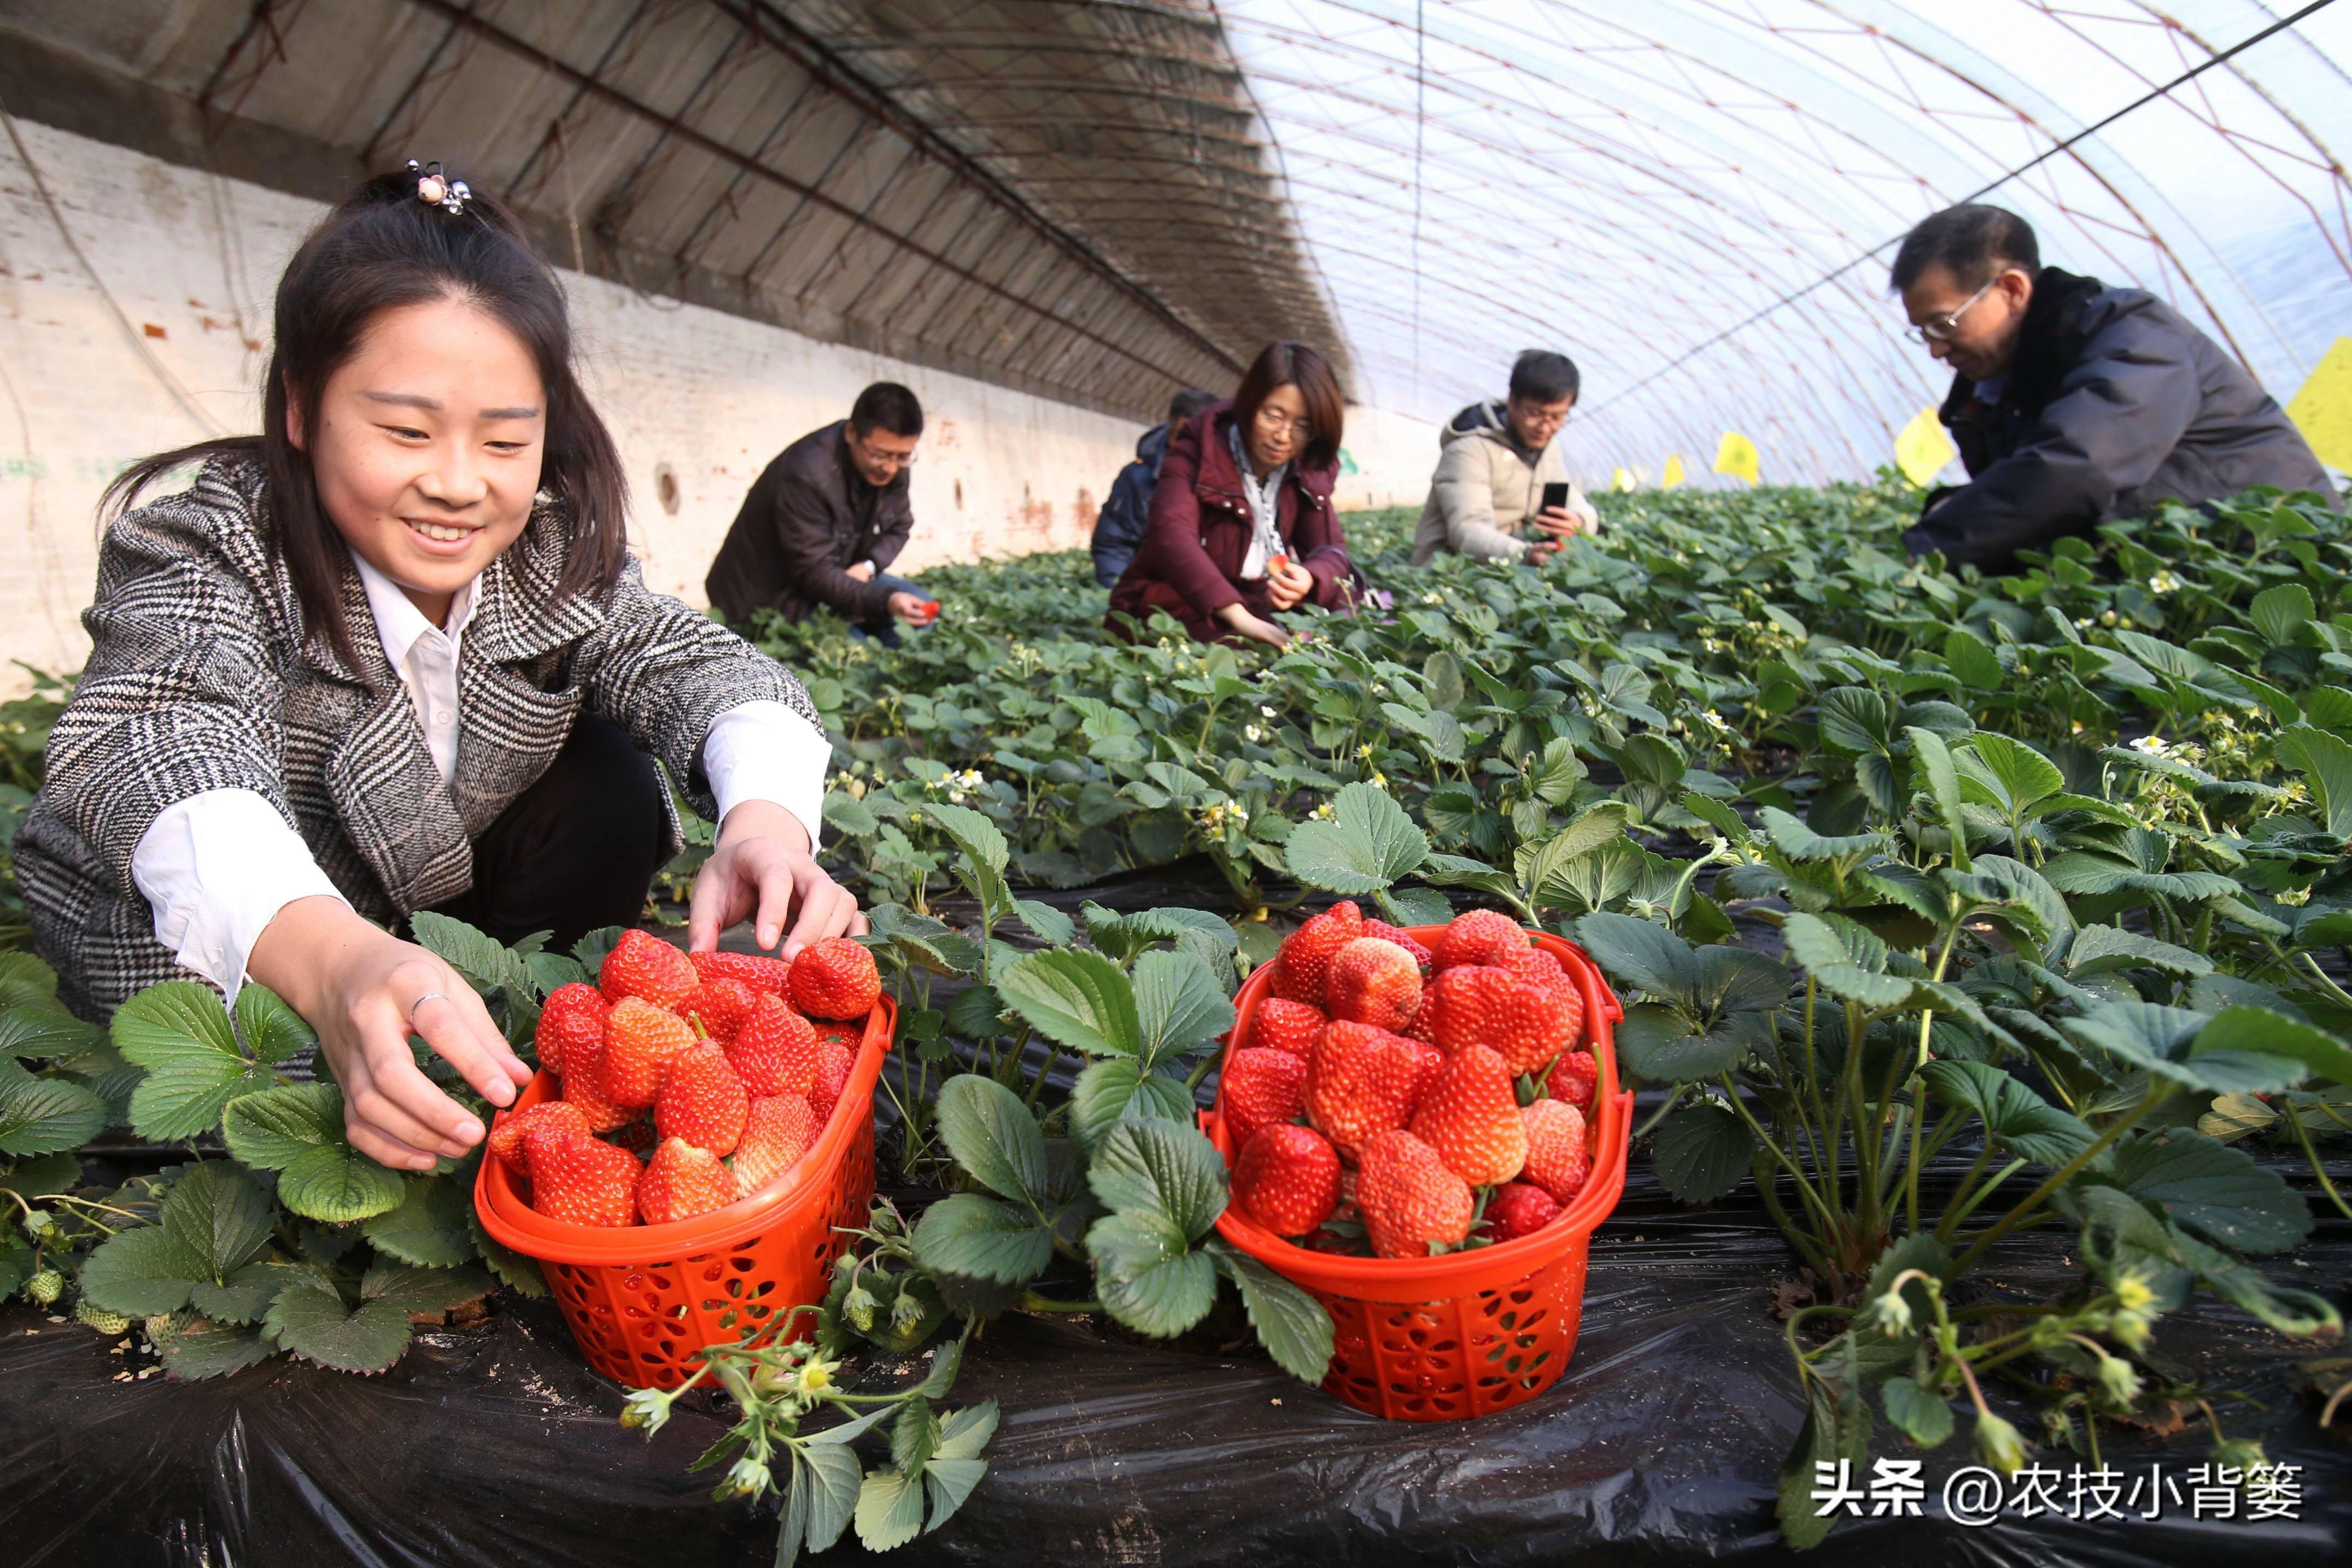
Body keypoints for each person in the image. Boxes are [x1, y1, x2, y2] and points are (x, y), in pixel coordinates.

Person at [14, 166, 864, 1177]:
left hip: (417, 900)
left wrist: (765, 823)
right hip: (225, 932)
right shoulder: (213, 545)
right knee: (277, 1134)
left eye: (505, 439)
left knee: (604, 781)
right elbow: (161, 733)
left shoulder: (545, 552)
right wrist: (336, 965)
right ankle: (401, 1066)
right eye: (405, 431)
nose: (459, 484)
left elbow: (693, 660)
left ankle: (533, 1054)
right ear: (301, 408)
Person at [1893, 203, 2335, 567]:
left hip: (2285, 563)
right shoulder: (1994, 391)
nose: (1935, 349)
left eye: (1944, 324)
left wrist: (1921, 553)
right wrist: (1957, 507)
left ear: (2011, 289)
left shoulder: (2136, 338)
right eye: (1923, 332)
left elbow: (2075, 469)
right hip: (2179, 574)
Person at [1105, 341, 1355, 648]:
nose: (1283, 436)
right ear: (1250, 403)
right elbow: (1171, 534)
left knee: (1348, 616)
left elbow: (1331, 549)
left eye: (1303, 426)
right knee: (1232, 652)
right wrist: (1236, 614)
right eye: (1272, 416)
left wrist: (1310, 579)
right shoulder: (1200, 446)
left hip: (1255, 599)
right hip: (1182, 601)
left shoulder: (1307, 465)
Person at [706, 382, 932, 642]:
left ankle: (897, 672)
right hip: (773, 594)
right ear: (851, 433)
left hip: (836, 573)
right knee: (856, 654)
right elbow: (815, 573)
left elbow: (899, 527)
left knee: (921, 610)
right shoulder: (806, 474)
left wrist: (868, 567)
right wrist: (884, 600)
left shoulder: (892, 467)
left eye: (903, 457)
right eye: (880, 455)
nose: (891, 468)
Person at [1410, 349, 1600, 567]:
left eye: (1557, 417)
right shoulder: (1469, 451)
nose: (1545, 428)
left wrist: (1579, 521)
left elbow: (1573, 499)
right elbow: (1468, 531)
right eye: (1535, 414)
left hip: (1507, 568)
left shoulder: (1548, 448)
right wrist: (1525, 554)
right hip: (1450, 574)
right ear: (1512, 401)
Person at [1091, 387, 1218, 588]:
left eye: (1199, 440)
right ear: (1170, 430)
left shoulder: (1235, 480)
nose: (1190, 448)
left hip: (1219, 599)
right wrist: (1122, 596)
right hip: (1152, 599)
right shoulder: (1137, 479)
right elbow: (1115, 544)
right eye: (1182, 438)